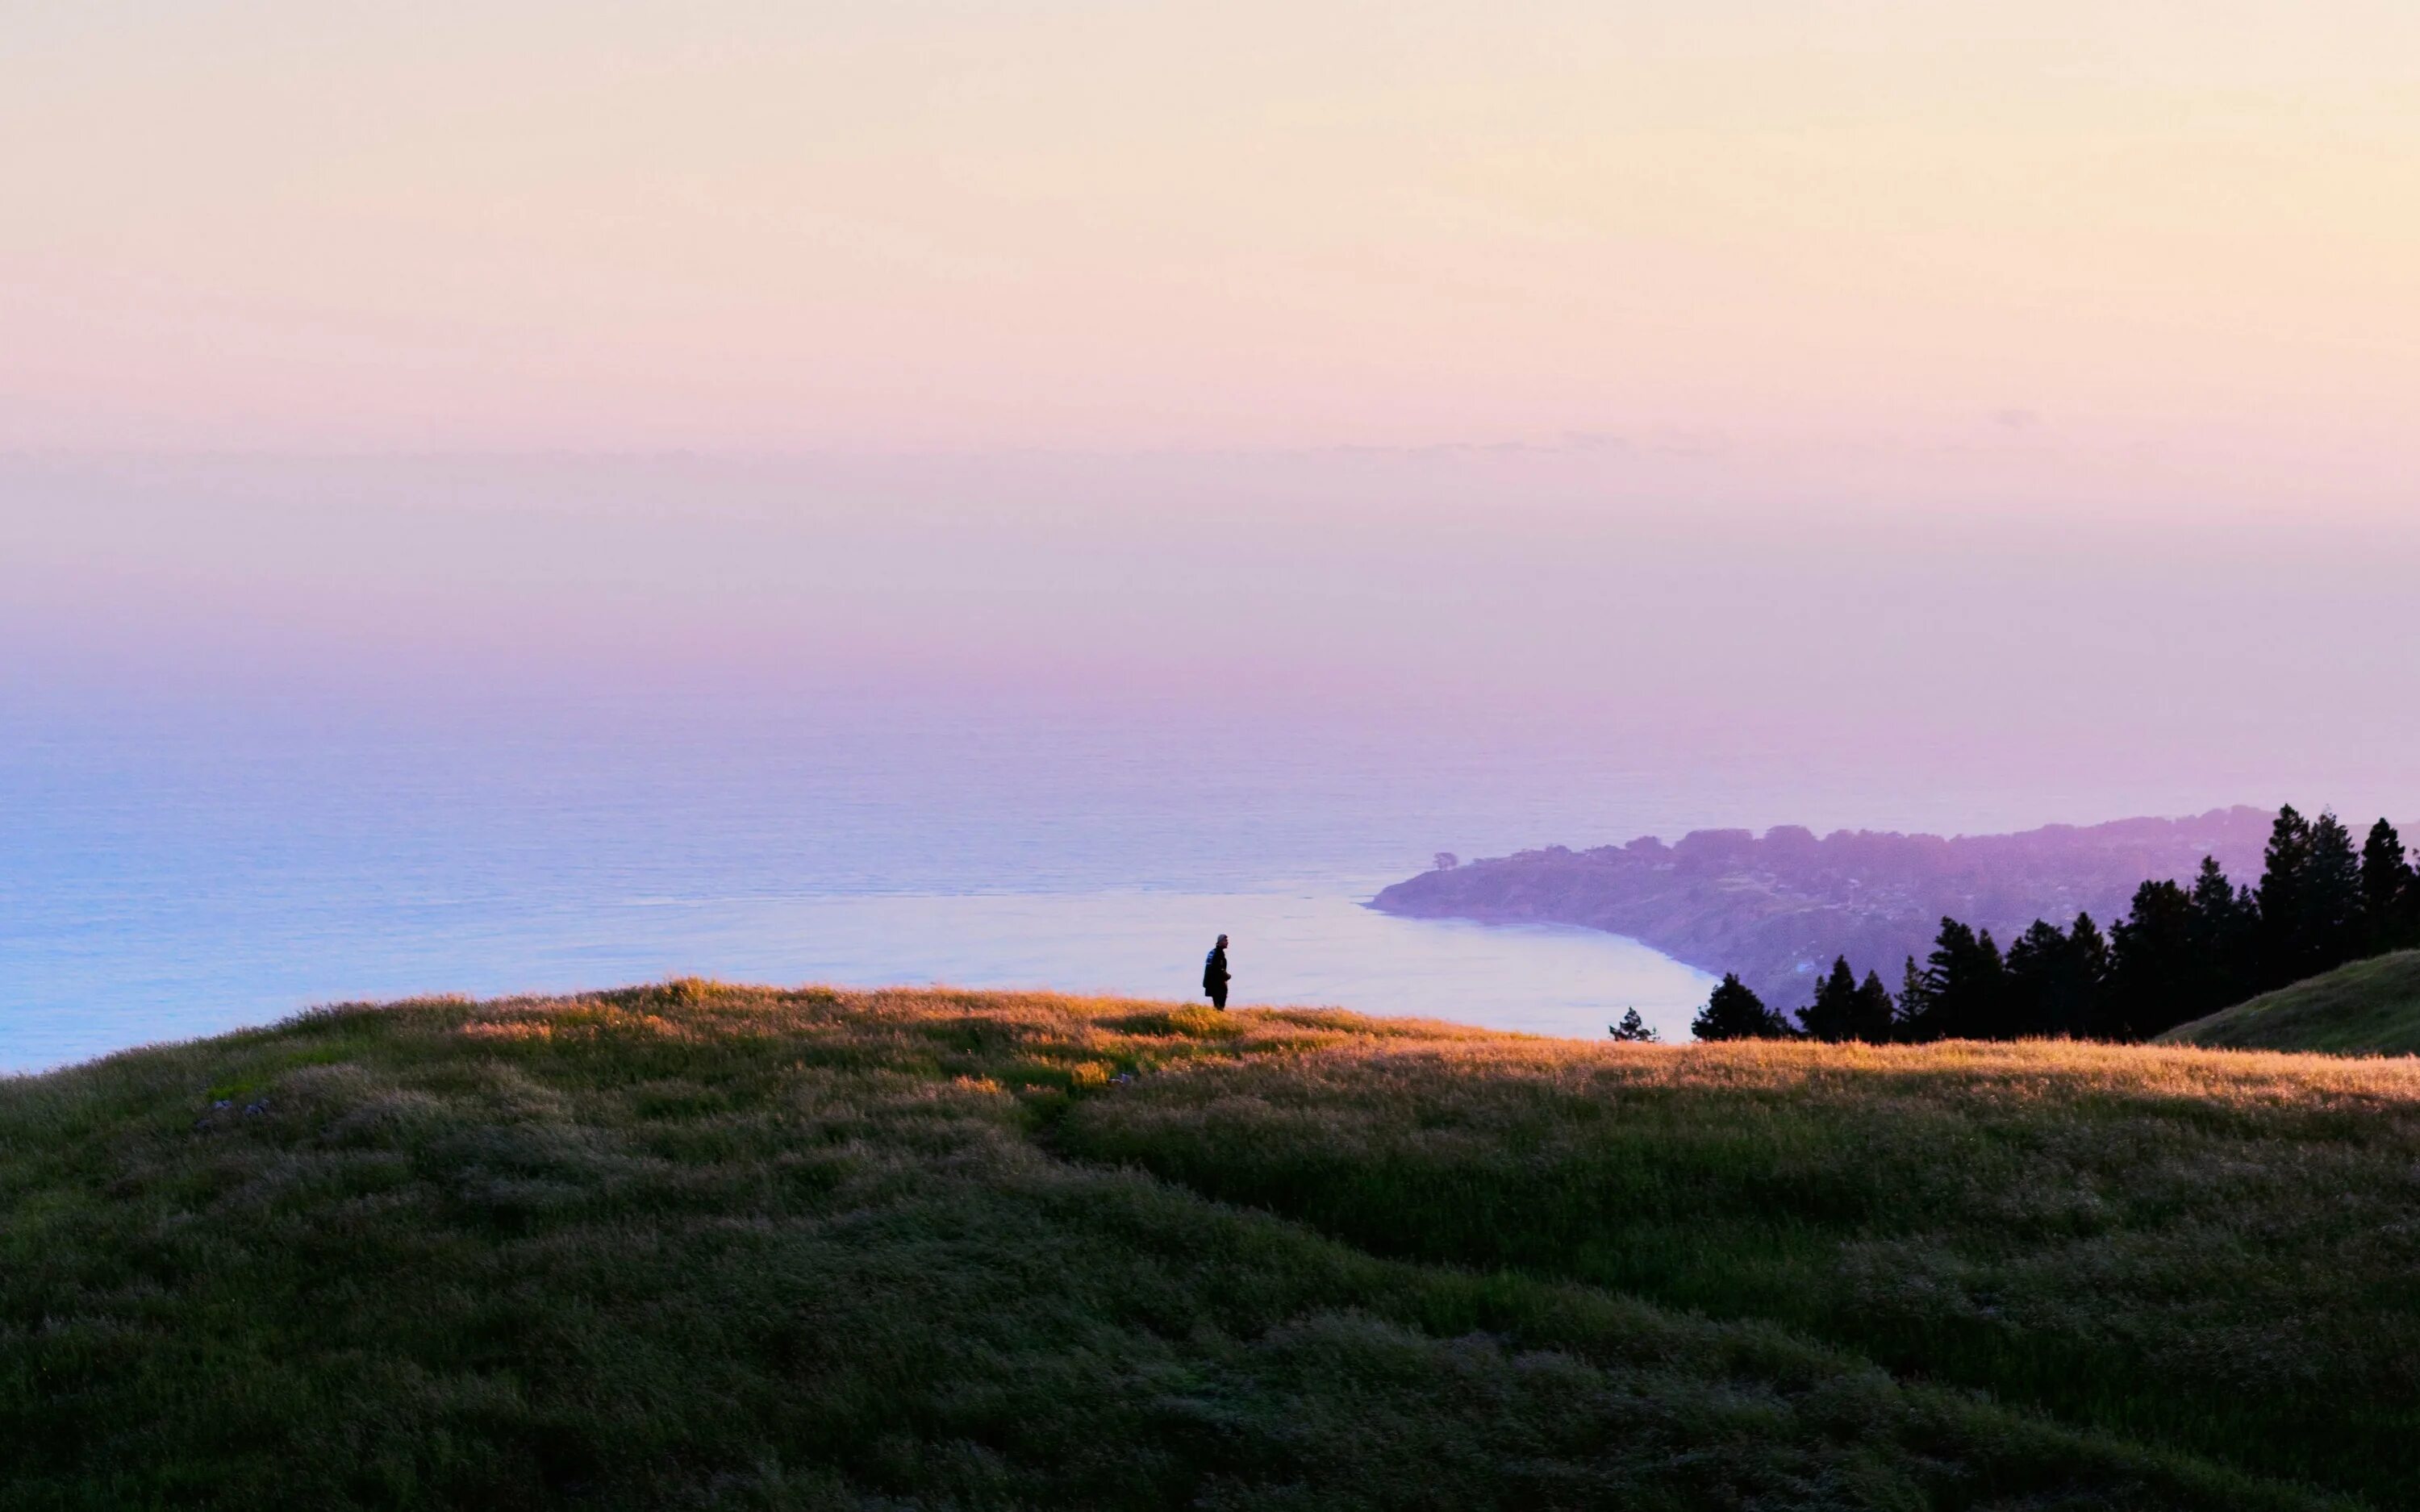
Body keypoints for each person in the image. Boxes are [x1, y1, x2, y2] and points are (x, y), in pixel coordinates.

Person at [1203, 934, 1230, 1010]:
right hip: (1217, 985)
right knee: (1220, 1007)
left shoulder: (1213, 952)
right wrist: (1227, 976)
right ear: (1220, 942)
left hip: (1212, 984)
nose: (1227, 942)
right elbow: (1218, 969)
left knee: (1217, 1006)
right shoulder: (1218, 953)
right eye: (1225, 941)